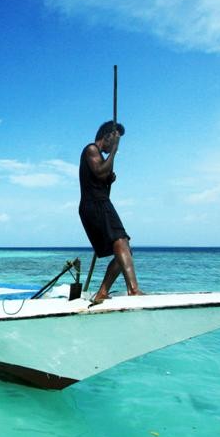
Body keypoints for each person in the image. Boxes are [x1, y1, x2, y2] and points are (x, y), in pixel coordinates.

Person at [79, 120, 144, 303]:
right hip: (95, 204)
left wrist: (109, 180)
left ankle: (102, 293)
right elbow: (99, 171)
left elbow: (99, 176)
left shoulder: (98, 155)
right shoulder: (91, 149)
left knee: (124, 251)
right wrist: (114, 151)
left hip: (99, 203)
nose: (114, 146)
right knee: (121, 241)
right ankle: (133, 290)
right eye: (114, 140)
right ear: (107, 136)